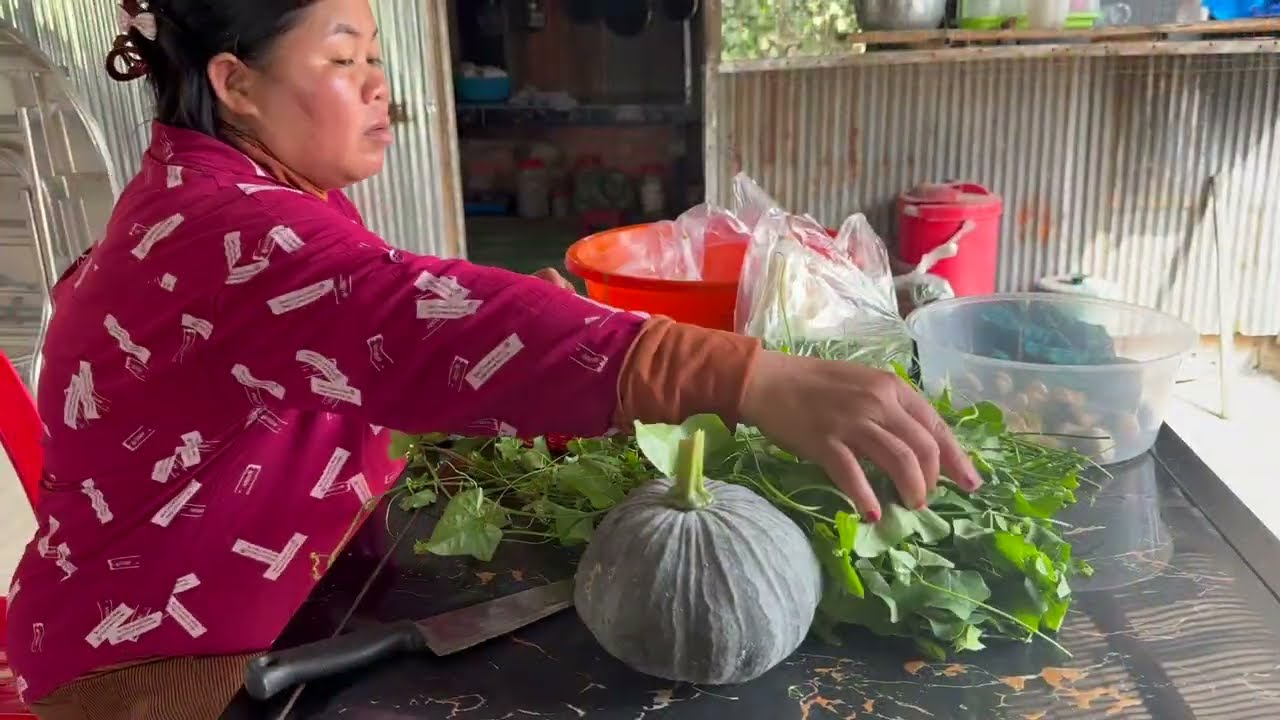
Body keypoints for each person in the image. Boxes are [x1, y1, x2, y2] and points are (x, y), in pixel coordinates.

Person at [3, 1, 982, 717]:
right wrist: (740, 375)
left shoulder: (229, 189)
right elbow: (420, 320)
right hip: (153, 673)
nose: (379, 86)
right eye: (344, 60)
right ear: (236, 83)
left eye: (377, 54)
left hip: (233, 599)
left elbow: (359, 342)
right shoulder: (220, 232)